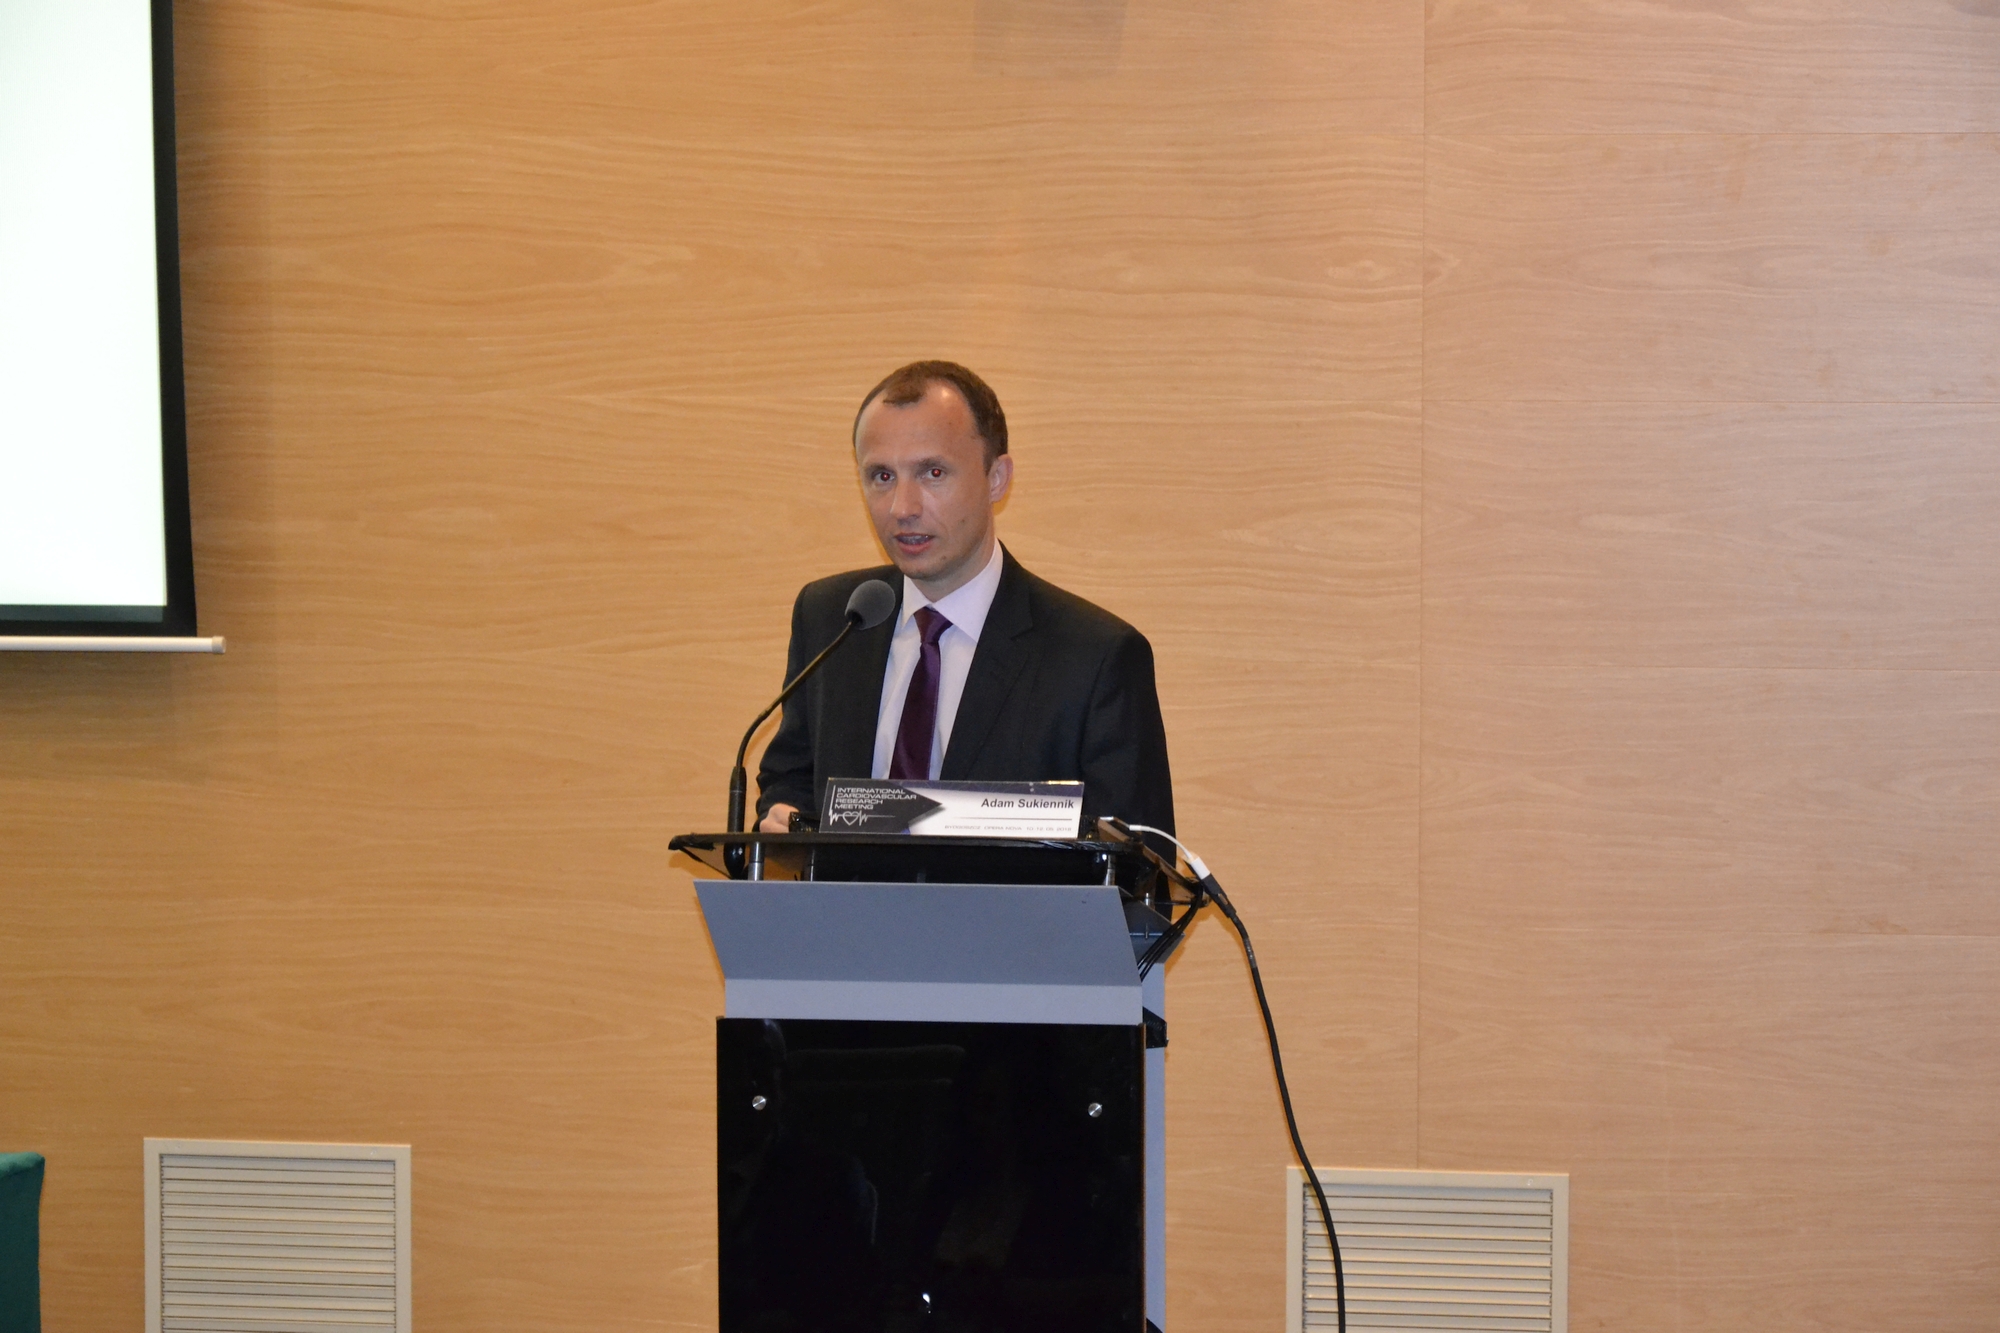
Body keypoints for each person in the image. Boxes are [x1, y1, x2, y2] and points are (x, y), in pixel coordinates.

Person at [755, 360, 1173, 835]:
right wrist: (785, 816)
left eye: (933, 473)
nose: (903, 508)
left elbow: (1139, 861)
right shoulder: (833, 619)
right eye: (882, 476)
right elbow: (790, 781)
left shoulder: (1095, 658)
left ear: (997, 478)